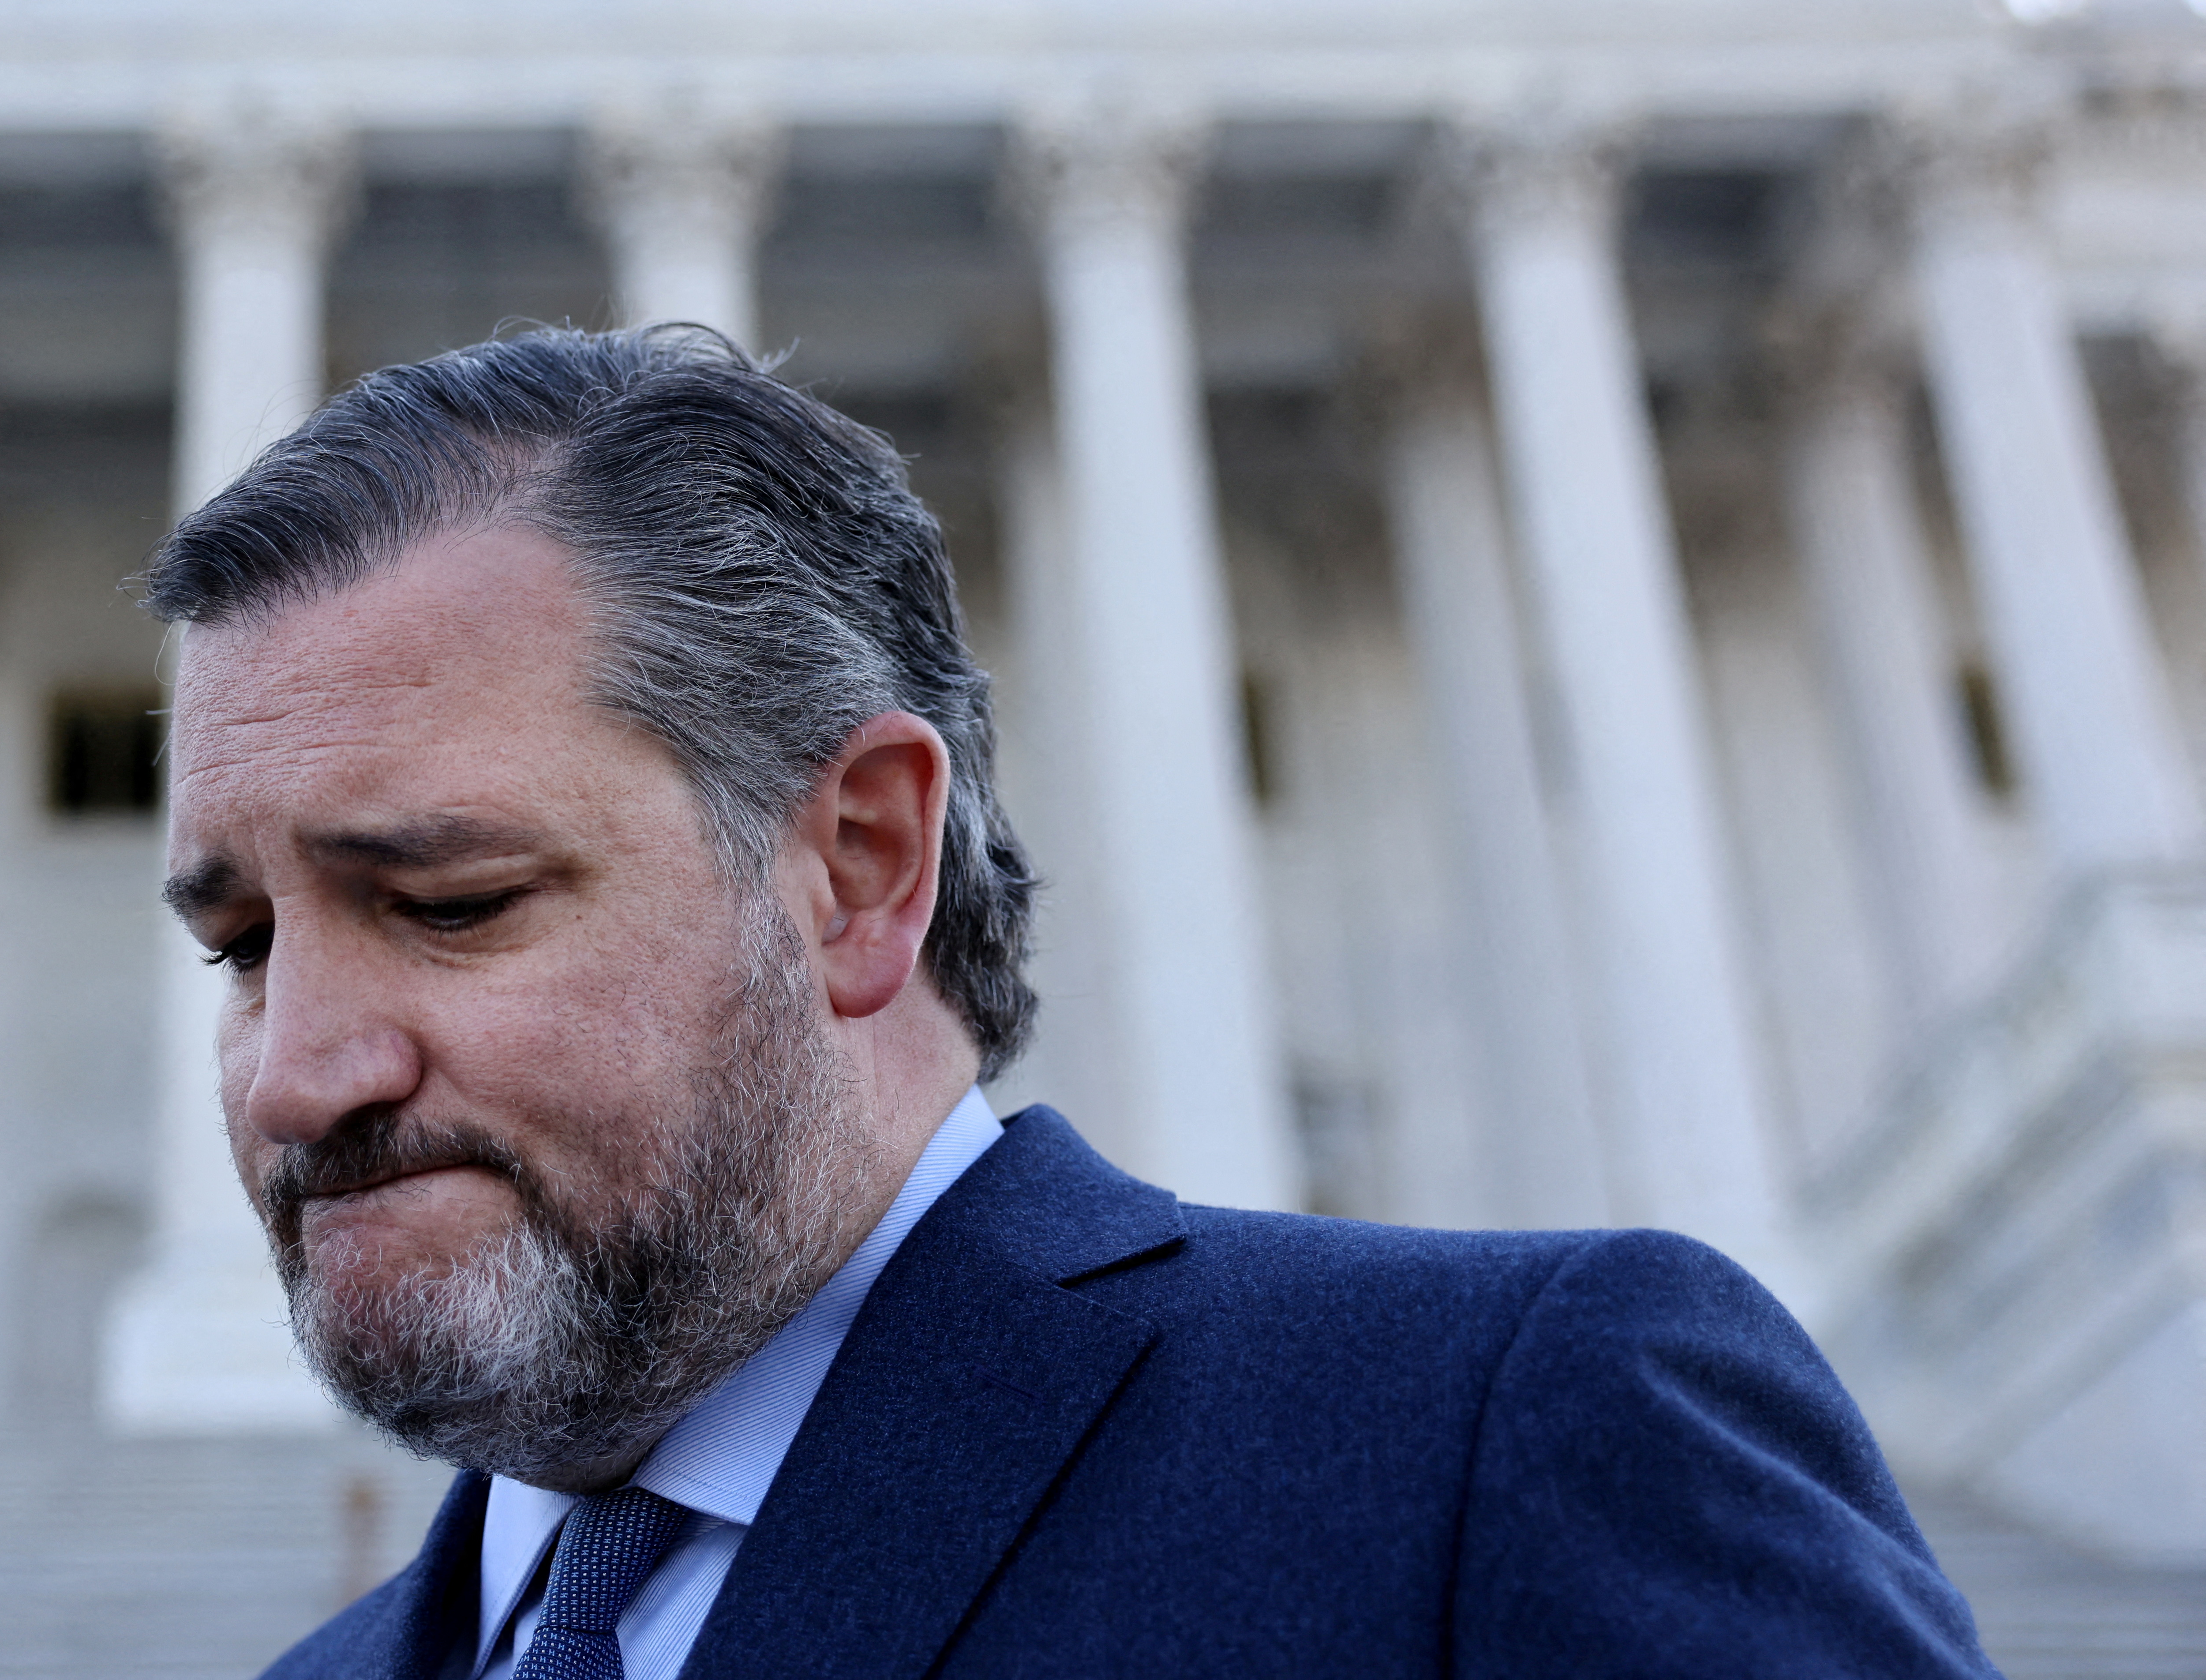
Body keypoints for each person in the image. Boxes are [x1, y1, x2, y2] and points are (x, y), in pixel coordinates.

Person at [152, 325, 1994, 1680]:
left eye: (449, 899)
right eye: (239, 944)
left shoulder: (1499, 1445)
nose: (297, 1073)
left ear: (858, 863)